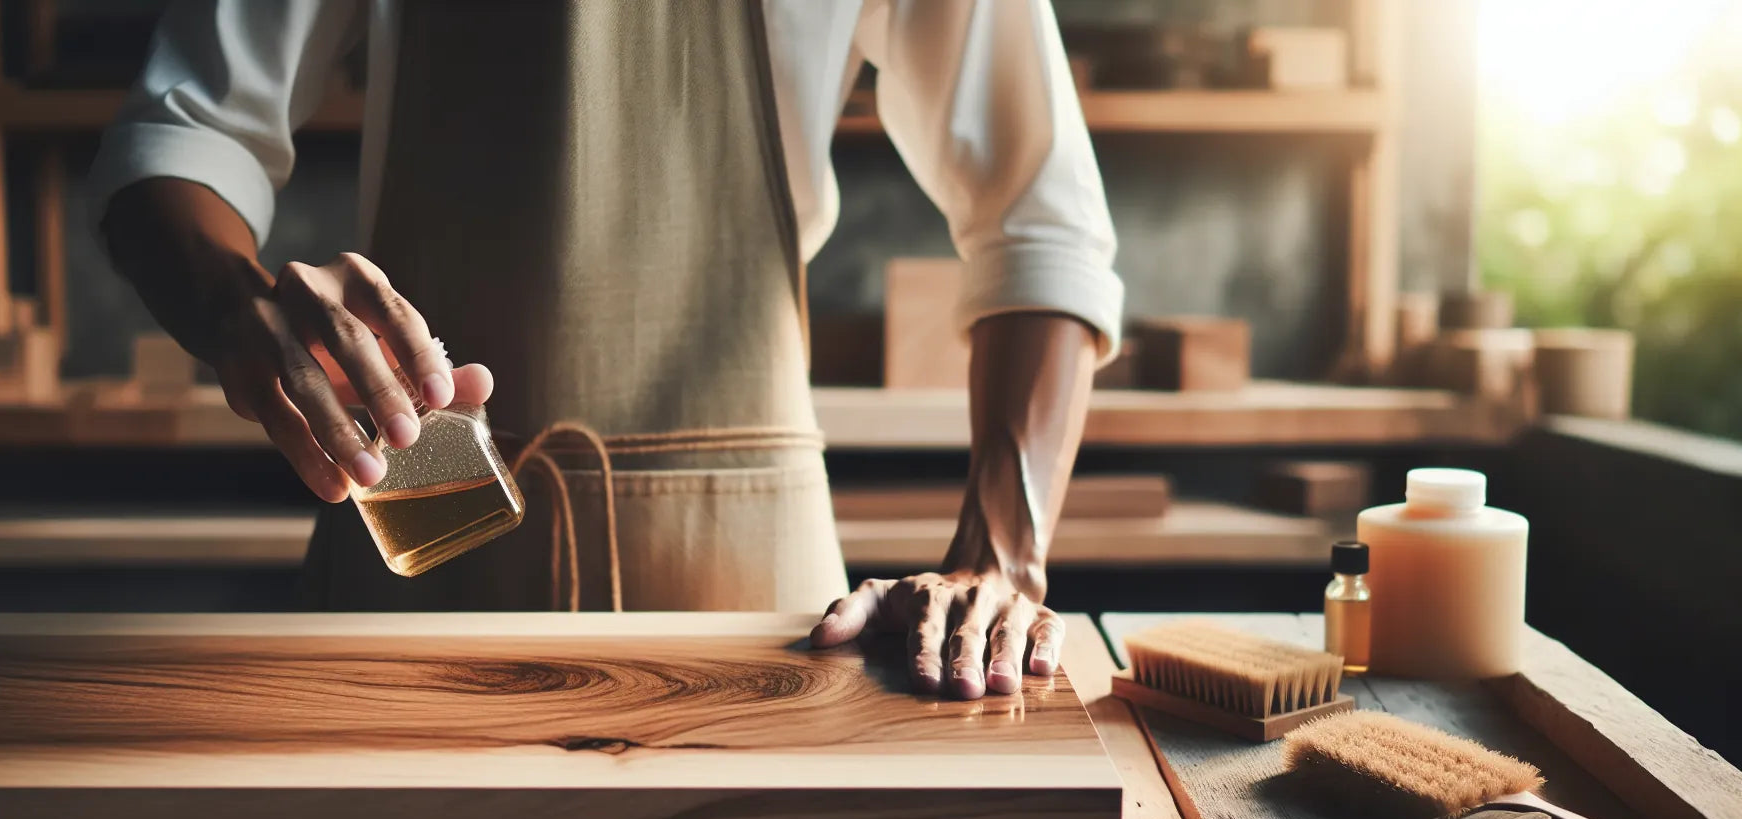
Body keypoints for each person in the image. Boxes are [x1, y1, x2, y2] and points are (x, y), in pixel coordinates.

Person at [94, 0, 1123, 700]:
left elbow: (1042, 219)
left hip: (764, 613)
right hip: (418, 525)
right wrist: (238, 307)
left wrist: (1000, 562)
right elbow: (180, 130)